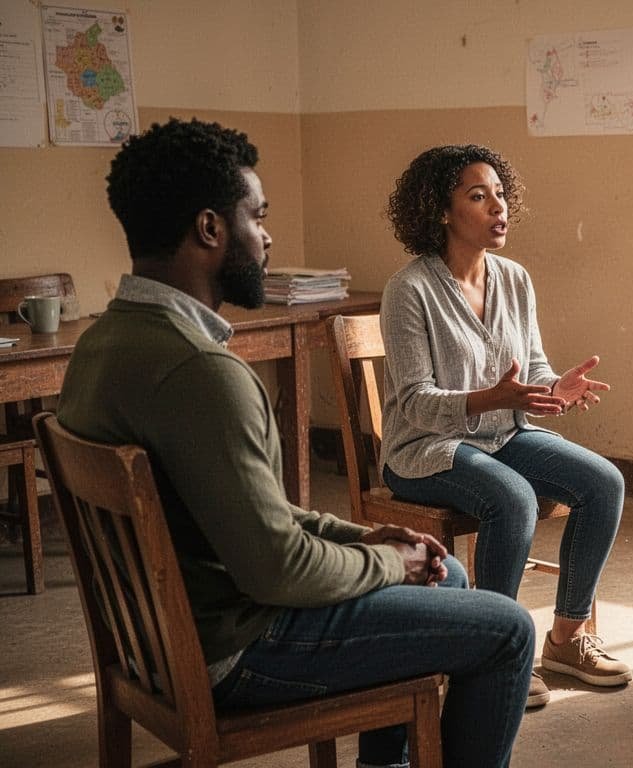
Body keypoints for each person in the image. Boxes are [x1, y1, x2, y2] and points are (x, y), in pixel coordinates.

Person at [59, 118, 534, 768]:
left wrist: (363, 538)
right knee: (507, 628)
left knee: (447, 571)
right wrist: (388, 565)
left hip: (156, 642)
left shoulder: (100, 345)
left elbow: (255, 516)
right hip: (236, 652)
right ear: (210, 229)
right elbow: (278, 569)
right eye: (259, 217)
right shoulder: (204, 373)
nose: (269, 237)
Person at [380, 144, 630, 708]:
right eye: (478, 196)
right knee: (513, 499)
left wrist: (550, 391)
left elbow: (531, 364)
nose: (498, 207)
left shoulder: (514, 278)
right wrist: (489, 397)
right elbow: (416, 404)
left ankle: (567, 640)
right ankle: (491, 654)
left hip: (504, 436)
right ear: (440, 212)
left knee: (604, 483)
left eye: (500, 194)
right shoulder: (409, 290)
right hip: (427, 450)